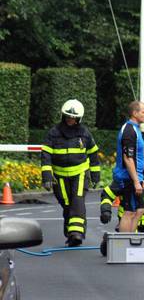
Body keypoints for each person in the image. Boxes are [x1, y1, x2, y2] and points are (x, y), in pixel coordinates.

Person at [41, 99, 100, 247]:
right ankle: (70, 231)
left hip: (80, 174)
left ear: (78, 119)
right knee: (67, 204)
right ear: (63, 116)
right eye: (68, 117)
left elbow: (93, 154)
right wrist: (47, 175)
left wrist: (95, 174)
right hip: (59, 176)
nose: (70, 120)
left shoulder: (84, 133)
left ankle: (77, 233)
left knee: (77, 201)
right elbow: (46, 154)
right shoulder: (53, 133)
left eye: (73, 118)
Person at [112, 101, 144, 234]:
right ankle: (124, 245)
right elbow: (128, 158)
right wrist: (135, 181)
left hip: (134, 177)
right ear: (134, 113)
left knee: (139, 210)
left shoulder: (135, 129)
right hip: (127, 177)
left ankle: (131, 241)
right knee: (129, 212)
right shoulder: (129, 130)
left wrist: (140, 178)